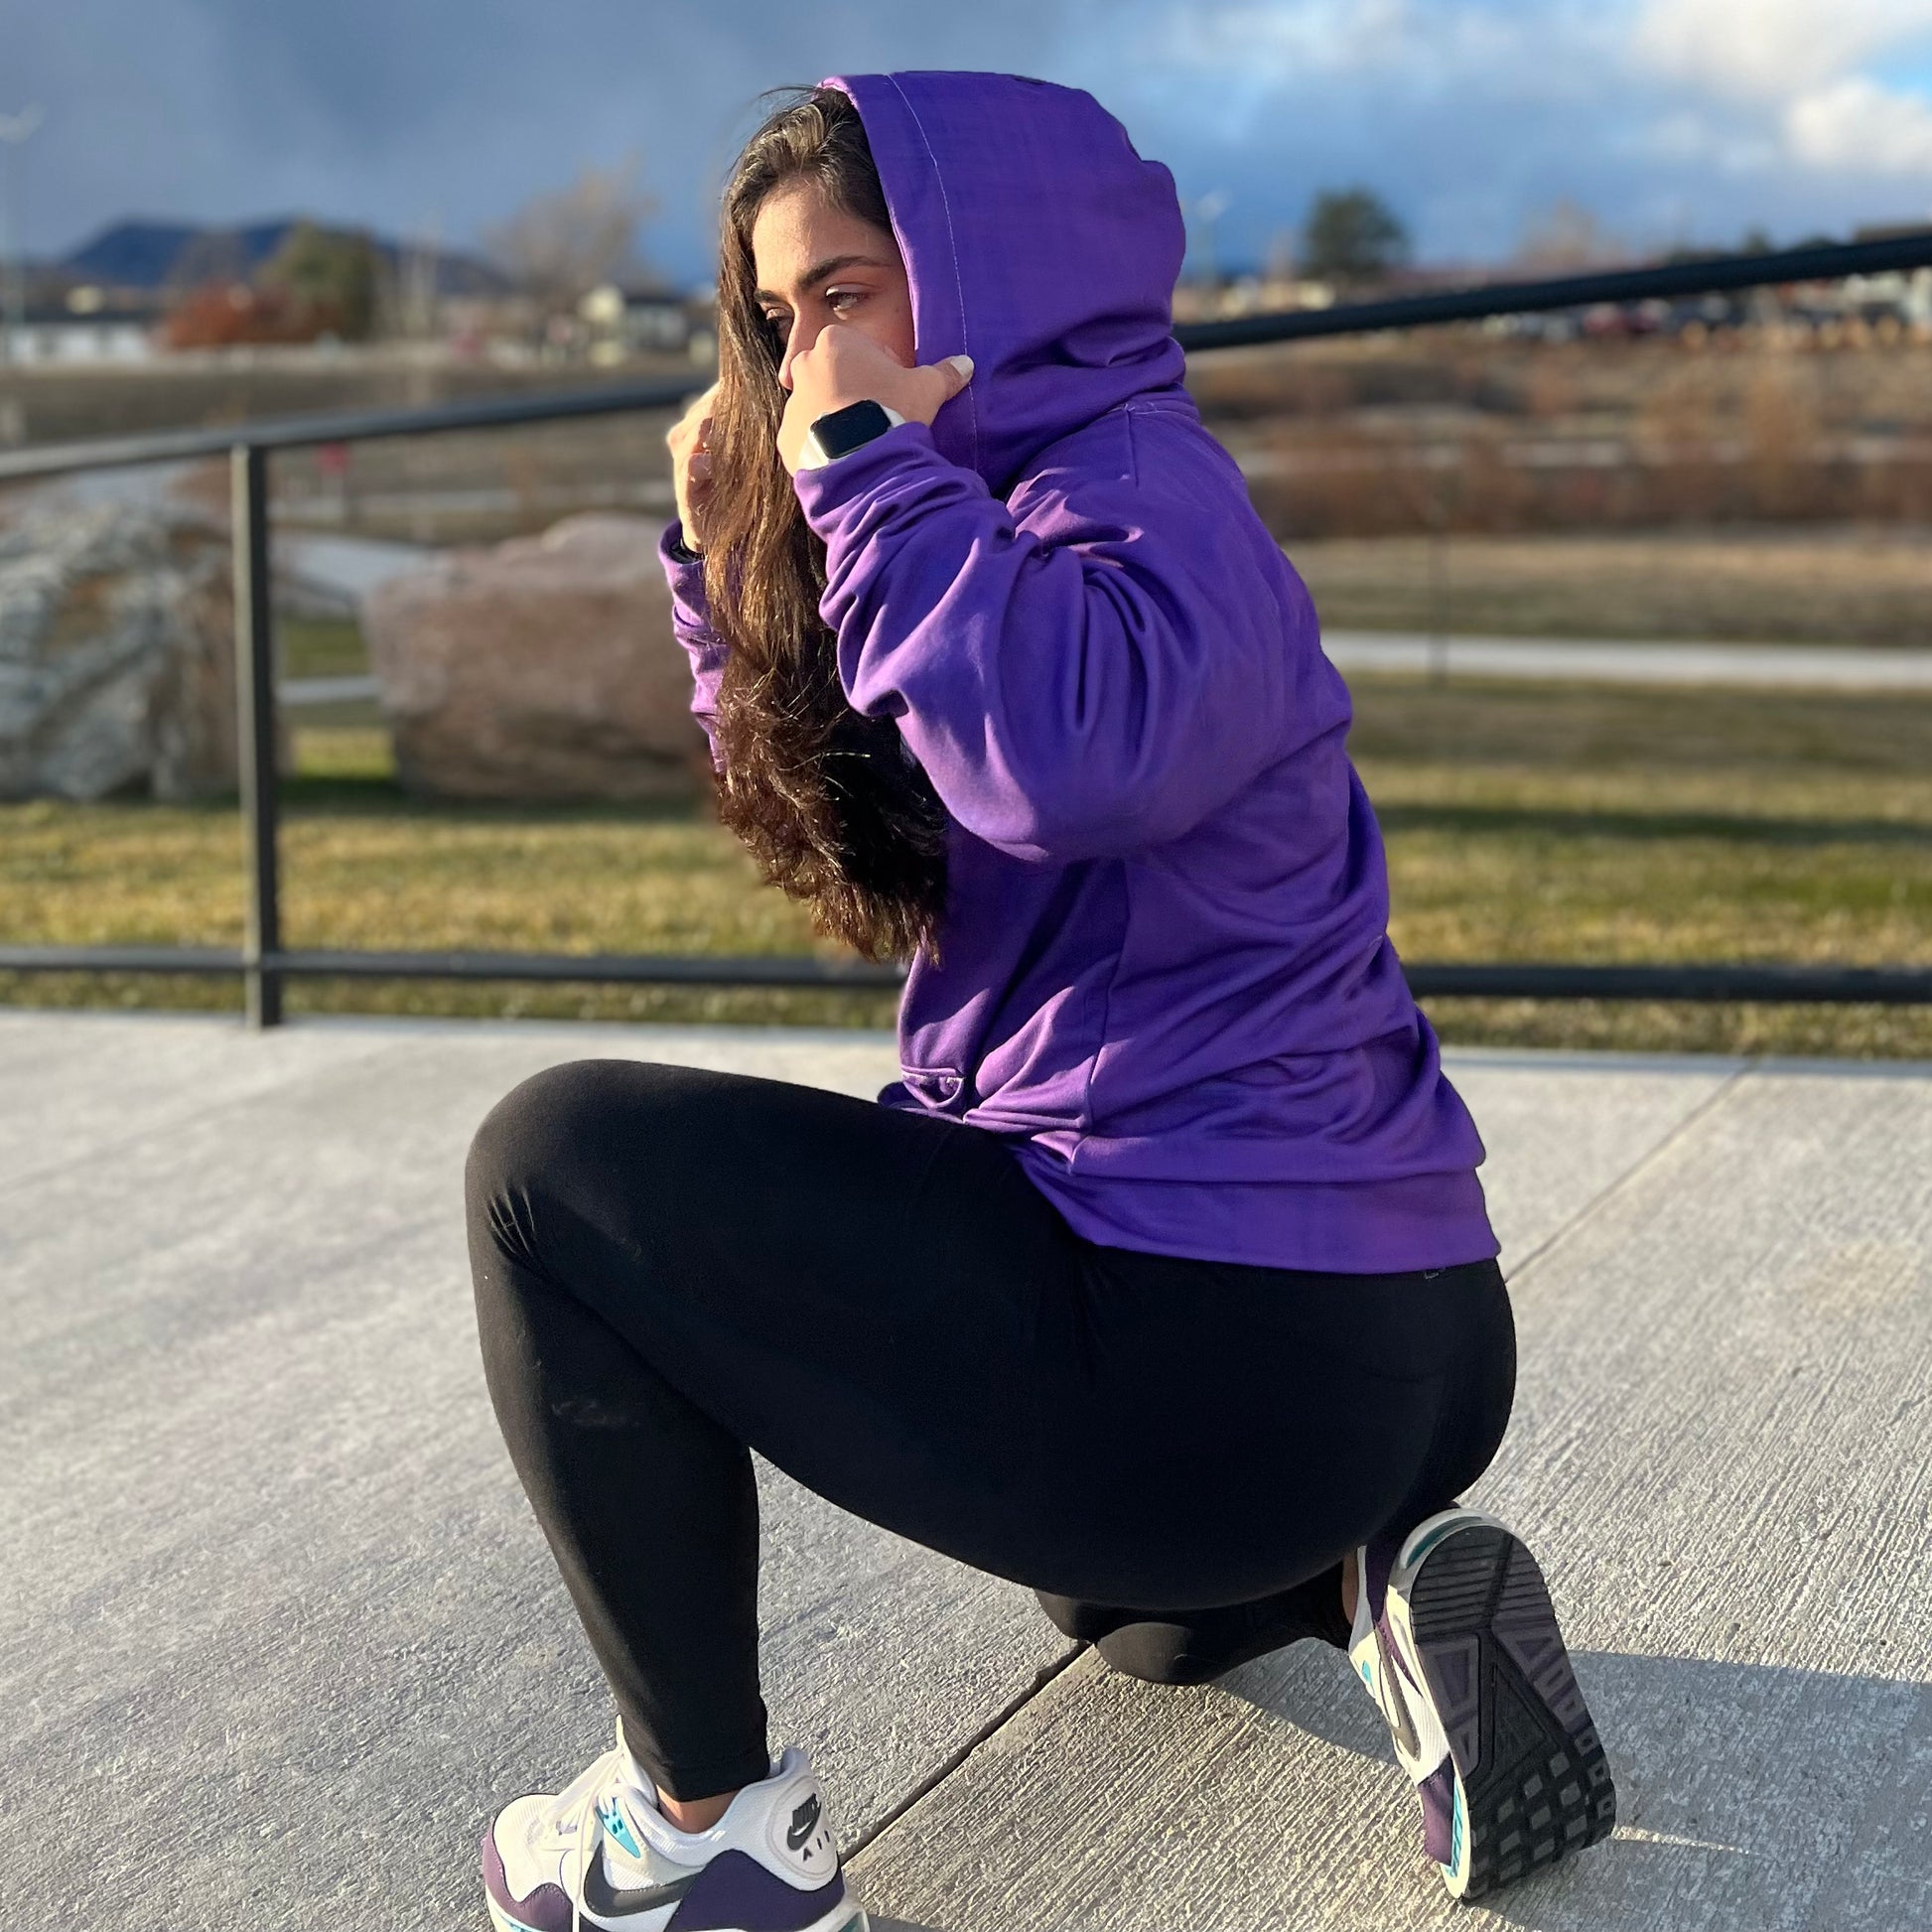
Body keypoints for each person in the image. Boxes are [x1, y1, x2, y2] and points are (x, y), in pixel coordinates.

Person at [468, 71, 1615, 1932]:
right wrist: (713, 577)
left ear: (984, 262)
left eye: (846, 288)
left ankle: (700, 1838)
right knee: (1122, 1609)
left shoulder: (1139, 496)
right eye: (774, 319)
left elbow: (1059, 763)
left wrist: (856, 470)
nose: (798, 353)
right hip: (1353, 1358)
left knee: (547, 1166)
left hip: (1240, 1318)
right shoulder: (988, 496)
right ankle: (1364, 1582)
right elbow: (868, 844)